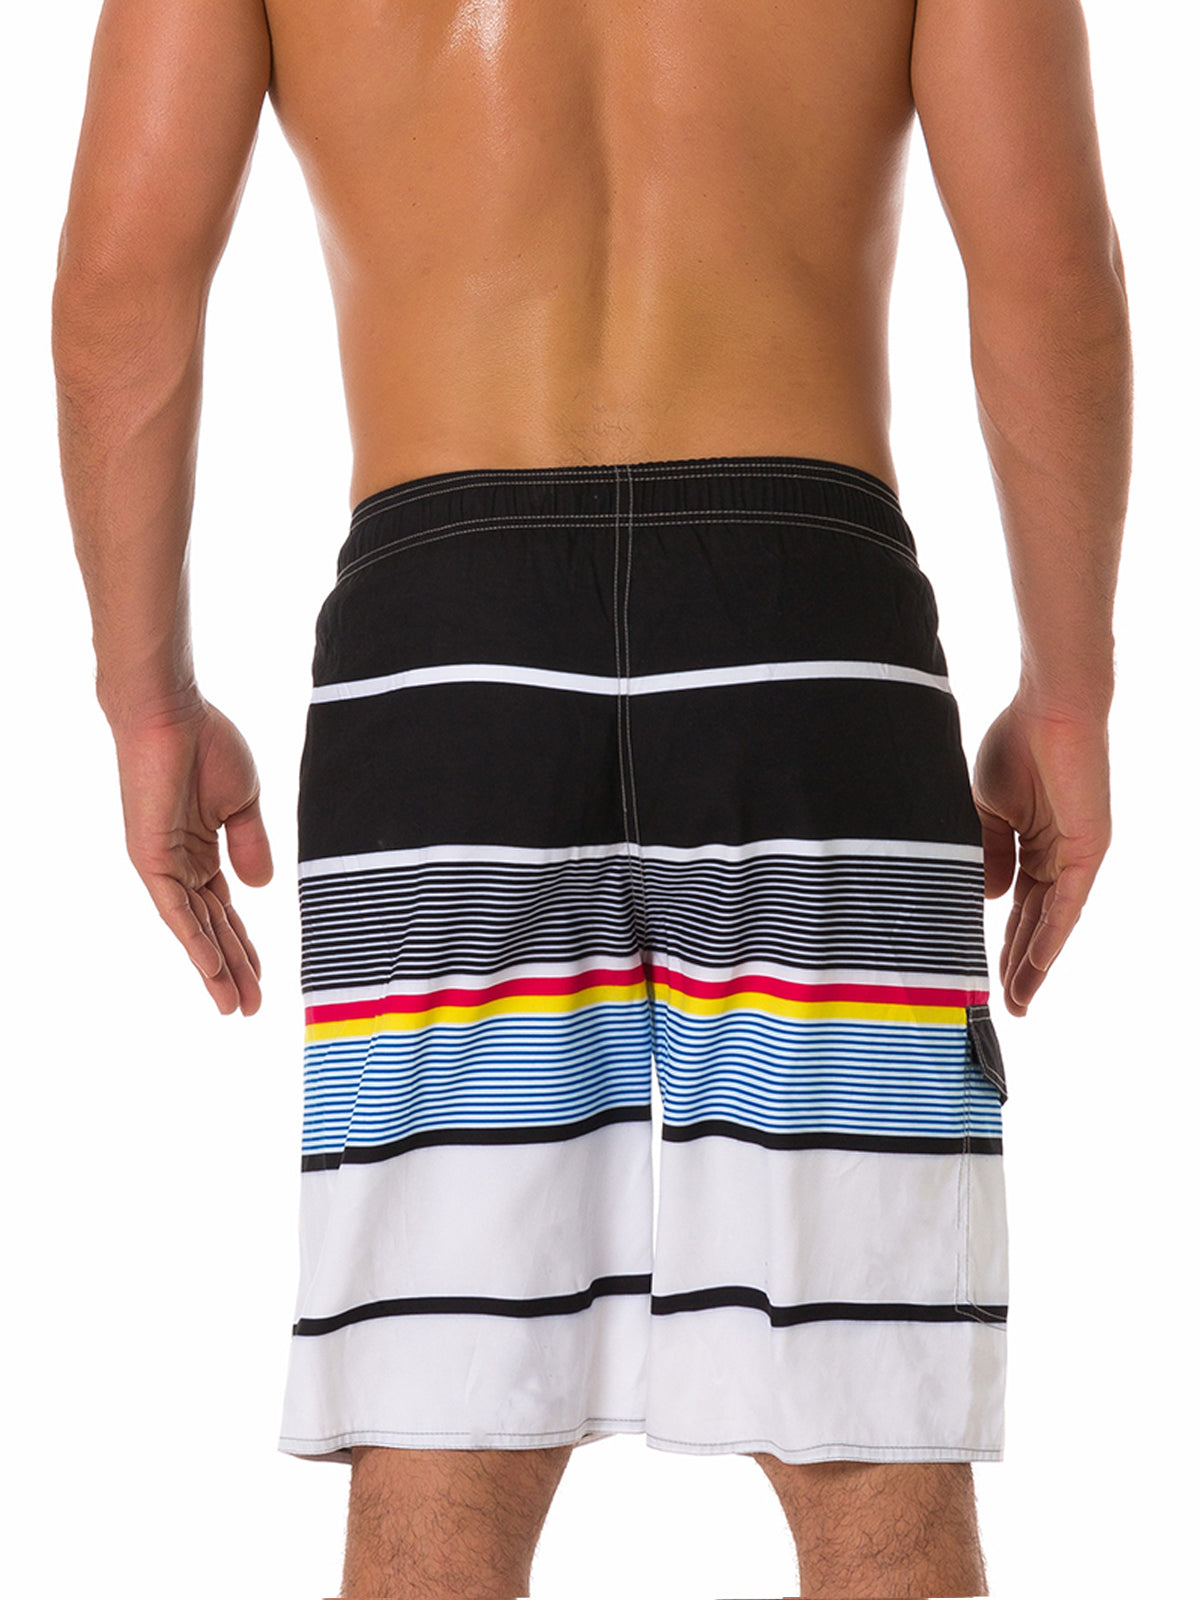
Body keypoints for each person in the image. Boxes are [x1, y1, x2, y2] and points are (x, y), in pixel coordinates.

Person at [51, 0, 1131, 1595]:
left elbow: (118, 288)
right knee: (869, 1431)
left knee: (437, 1420)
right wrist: (1071, 692)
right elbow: (1049, 274)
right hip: (803, 631)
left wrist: (144, 699)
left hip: (445, 649)